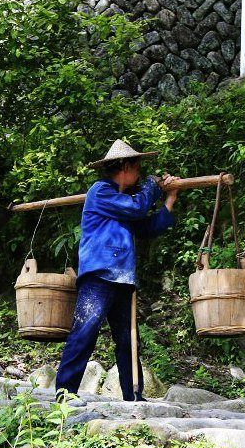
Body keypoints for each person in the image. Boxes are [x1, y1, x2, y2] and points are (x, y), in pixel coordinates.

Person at [55, 140, 180, 402]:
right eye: (137, 169)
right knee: (85, 331)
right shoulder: (101, 192)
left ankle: (133, 394)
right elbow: (137, 207)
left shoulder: (125, 201)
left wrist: (169, 199)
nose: (139, 174)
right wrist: (151, 186)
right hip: (99, 275)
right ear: (125, 166)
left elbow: (146, 227)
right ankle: (65, 394)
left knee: (127, 339)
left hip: (123, 279)